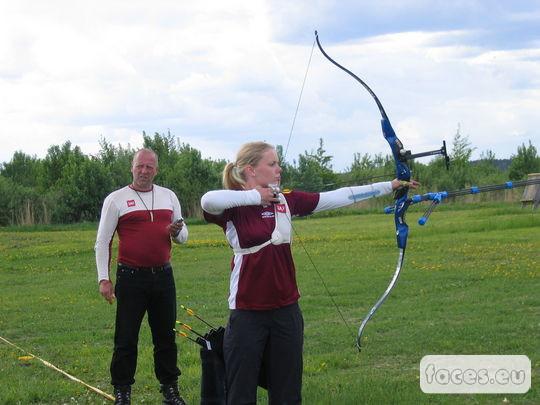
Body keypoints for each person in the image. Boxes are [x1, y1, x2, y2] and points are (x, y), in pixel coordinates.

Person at [200, 141, 418, 404]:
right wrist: (256, 196)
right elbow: (208, 200)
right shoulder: (233, 206)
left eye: (278, 163)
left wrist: (389, 185)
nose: (279, 169)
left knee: (287, 391)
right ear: (251, 170)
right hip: (247, 312)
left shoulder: (285, 199)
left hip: (286, 310)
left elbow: (338, 196)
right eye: (272, 164)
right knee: (241, 392)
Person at [95, 148, 188, 405]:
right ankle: (122, 391)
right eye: (140, 166)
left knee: (166, 337)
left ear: (156, 170)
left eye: (149, 167)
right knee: (126, 338)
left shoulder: (169, 197)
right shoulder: (117, 199)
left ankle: (170, 389)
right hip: (131, 277)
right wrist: (104, 278)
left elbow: (183, 237)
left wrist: (176, 232)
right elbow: (103, 241)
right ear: (132, 167)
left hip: (163, 277)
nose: (144, 171)